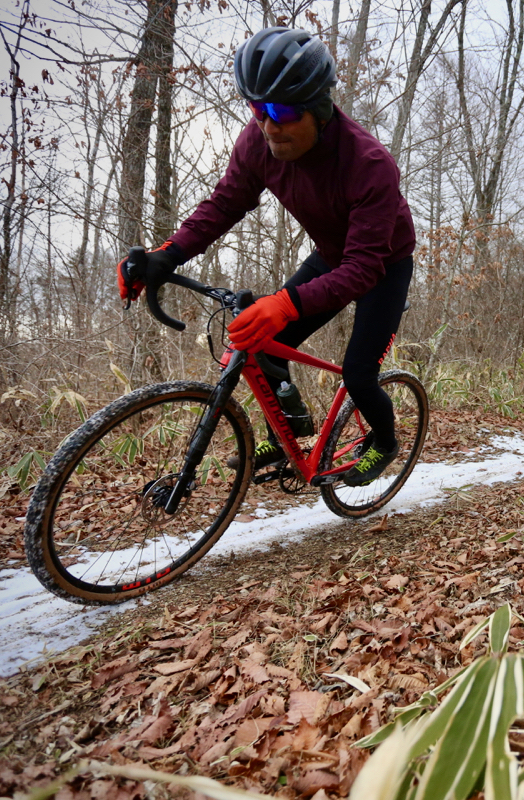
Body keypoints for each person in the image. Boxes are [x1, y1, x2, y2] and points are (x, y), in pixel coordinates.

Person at [116, 26, 415, 487]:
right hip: (332, 256)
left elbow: (363, 268)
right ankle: (294, 428)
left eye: (283, 111)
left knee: (358, 372)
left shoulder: (368, 164)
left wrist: (286, 302)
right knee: (261, 342)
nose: (268, 124)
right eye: (257, 109)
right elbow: (224, 204)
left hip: (382, 266)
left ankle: (385, 439)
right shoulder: (258, 143)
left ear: (319, 109)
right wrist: (168, 255)